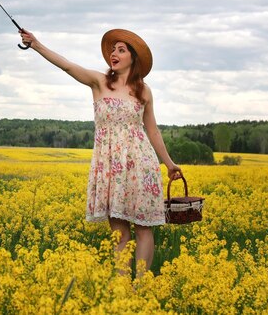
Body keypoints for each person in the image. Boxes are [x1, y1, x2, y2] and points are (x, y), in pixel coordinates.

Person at [19, 28, 182, 277]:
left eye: (121, 50)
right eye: (112, 50)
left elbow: (153, 131)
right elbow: (67, 66)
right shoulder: (99, 82)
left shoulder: (143, 91)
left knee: (144, 229)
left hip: (141, 165)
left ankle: (141, 289)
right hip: (110, 168)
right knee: (119, 232)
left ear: (133, 57)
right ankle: (121, 290)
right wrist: (36, 44)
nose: (113, 54)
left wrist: (169, 164)